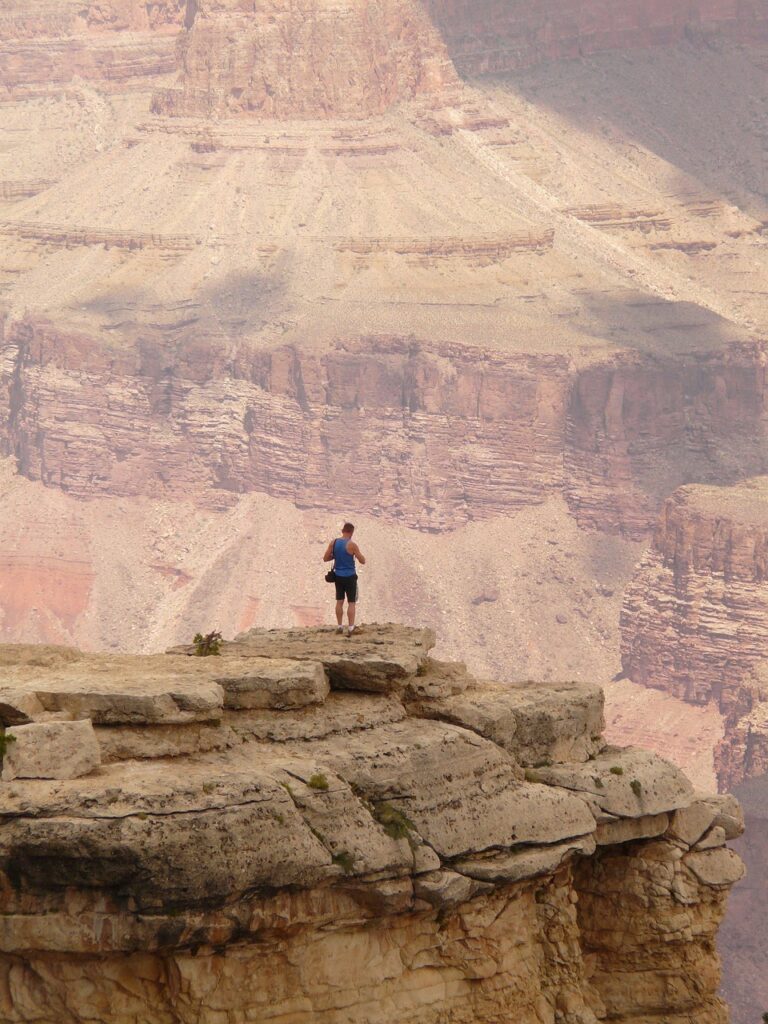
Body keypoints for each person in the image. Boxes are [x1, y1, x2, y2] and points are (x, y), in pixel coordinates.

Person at [324, 522, 366, 635]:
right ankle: (351, 628)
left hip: (338, 576)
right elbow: (362, 560)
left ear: (343, 531)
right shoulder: (352, 545)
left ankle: (339, 626)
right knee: (351, 602)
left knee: (339, 601)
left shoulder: (334, 542)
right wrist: (357, 555)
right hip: (350, 576)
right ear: (351, 532)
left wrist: (336, 556)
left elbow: (325, 558)